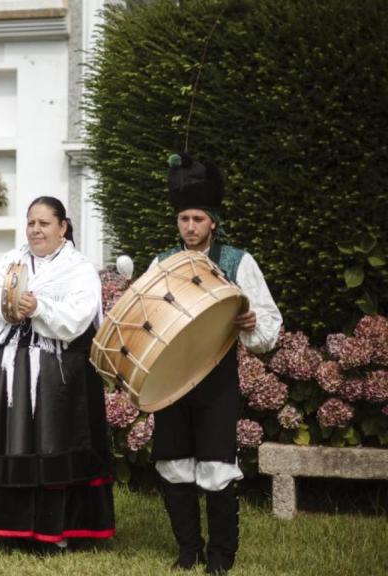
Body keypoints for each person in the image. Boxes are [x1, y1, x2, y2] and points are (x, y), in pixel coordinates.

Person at [0, 196, 115, 548]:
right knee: (6, 442)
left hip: (59, 375)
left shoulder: (78, 268)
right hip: (8, 369)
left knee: (53, 443)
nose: (36, 229)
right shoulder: (10, 261)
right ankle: (1, 529)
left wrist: (39, 307)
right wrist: (8, 309)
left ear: (63, 227)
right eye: (31, 223)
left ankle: (57, 531)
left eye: (44, 223)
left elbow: (79, 317)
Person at [152, 153, 282, 574]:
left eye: (198, 219)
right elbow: (145, 319)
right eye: (184, 218)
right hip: (171, 377)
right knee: (173, 462)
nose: (190, 227)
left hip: (217, 379)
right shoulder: (163, 262)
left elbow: (268, 325)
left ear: (213, 222)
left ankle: (221, 557)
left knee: (216, 466)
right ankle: (188, 549)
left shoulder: (237, 262)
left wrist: (249, 322)